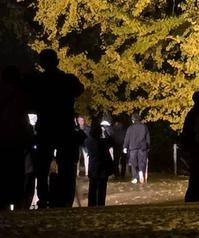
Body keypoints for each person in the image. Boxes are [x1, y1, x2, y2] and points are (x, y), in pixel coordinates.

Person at [27, 48, 84, 208]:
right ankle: (64, 196)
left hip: (45, 127)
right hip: (64, 127)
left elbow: (31, 101)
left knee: (42, 166)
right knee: (65, 164)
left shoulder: (38, 82)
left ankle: (43, 197)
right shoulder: (67, 80)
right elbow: (79, 89)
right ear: (57, 61)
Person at [0, 66, 32, 211]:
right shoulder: (21, 94)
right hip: (17, 139)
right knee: (17, 173)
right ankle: (17, 203)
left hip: (3, 139)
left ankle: (4, 204)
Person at [83, 119, 116, 206]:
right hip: (103, 169)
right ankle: (101, 205)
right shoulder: (103, 142)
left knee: (92, 188)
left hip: (93, 167)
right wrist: (105, 131)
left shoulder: (88, 141)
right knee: (102, 189)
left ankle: (91, 204)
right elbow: (112, 140)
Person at [123, 112, 150, 184]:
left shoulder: (130, 128)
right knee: (141, 161)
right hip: (142, 147)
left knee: (134, 162)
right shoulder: (144, 127)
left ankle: (135, 177)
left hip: (133, 147)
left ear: (133, 120)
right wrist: (148, 146)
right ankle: (141, 171)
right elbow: (147, 138)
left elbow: (127, 138)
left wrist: (125, 147)